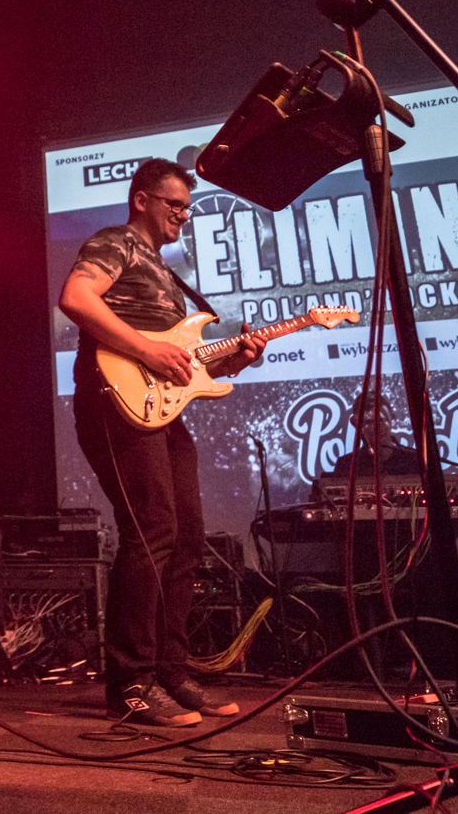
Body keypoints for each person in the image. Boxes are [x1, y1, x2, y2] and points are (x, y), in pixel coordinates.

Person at [57, 158, 265, 727]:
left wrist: (236, 360)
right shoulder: (116, 242)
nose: (184, 213)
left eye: (187, 205)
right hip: (113, 402)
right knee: (150, 532)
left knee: (188, 538)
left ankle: (170, 671)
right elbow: (76, 298)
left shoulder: (166, 277)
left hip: (160, 413)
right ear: (141, 199)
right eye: (174, 203)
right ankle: (129, 682)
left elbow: (186, 371)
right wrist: (148, 352)